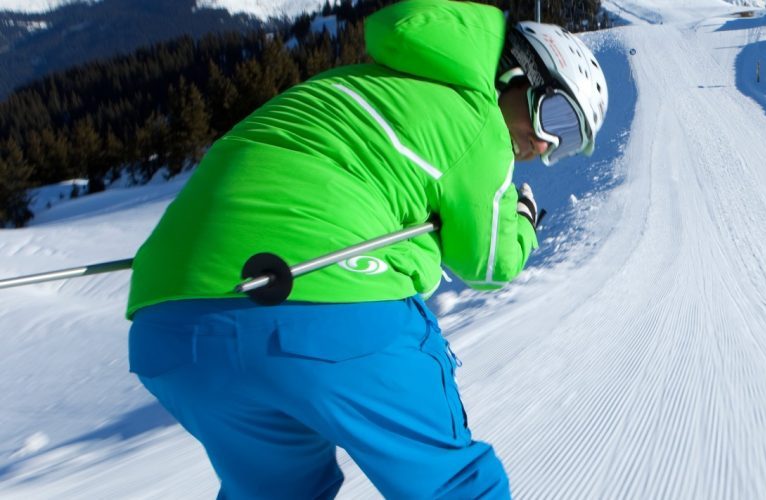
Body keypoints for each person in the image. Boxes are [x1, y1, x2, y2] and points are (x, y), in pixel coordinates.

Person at [123, 0, 608, 497]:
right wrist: (524, 222)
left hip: (168, 330)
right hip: (320, 308)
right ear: (516, 75)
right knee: (452, 485)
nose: (547, 146)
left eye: (568, 142)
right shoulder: (479, 122)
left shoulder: (357, 81)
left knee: (278, 489)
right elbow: (490, 263)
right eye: (557, 117)